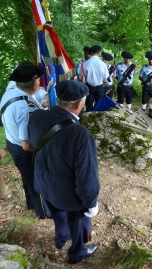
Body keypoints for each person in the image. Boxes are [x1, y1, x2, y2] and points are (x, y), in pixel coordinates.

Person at [27, 80, 100, 264]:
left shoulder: (36, 116)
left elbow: (34, 144)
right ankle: (77, 252)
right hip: (69, 194)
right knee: (78, 222)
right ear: (79, 104)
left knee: (57, 214)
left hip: (43, 182)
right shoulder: (79, 133)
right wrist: (91, 203)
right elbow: (86, 176)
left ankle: (60, 239)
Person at [0, 61, 50, 219]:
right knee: (37, 182)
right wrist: (43, 149)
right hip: (24, 151)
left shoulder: (10, 92)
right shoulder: (27, 108)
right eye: (38, 80)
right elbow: (27, 145)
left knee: (27, 177)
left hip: (11, 141)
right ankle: (41, 212)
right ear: (34, 84)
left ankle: (31, 204)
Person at [82, 45, 109, 111]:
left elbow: (83, 79)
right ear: (99, 53)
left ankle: (88, 119)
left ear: (91, 52)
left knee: (88, 105)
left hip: (88, 87)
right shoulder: (103, 64)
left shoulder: (84, 63)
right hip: (99, 87)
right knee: (99, 105)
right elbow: (105, 79)